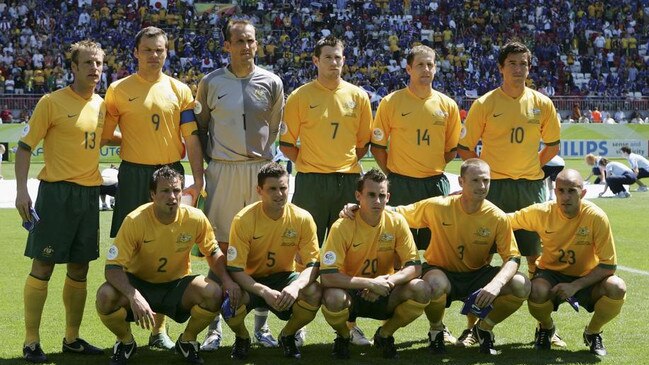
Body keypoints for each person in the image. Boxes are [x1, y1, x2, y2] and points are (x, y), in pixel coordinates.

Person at [341, 159, 530, 355]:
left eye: (486, 181)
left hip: (477, 275)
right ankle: (436, 329)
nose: (482, 186)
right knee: (434, 284)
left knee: (521, 284)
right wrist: (356, 207)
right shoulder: (438, 206)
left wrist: (496, 284)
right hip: (441, 272)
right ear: (461, 181)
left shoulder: (497, 216)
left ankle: (483, 328)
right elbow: (399, 211)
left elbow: (513, 258)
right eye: (475, 180)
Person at [101, 26, 205, 349]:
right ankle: (128, 329)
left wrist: (198, 178)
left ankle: (158, 330)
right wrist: (132, 139)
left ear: (166, 52)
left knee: (170, 247)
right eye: (148, 49)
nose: (154, 55)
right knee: (131, 250)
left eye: (160, 50)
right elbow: (105, 135)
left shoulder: (180, 90)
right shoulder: (118, 90)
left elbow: (191, 137)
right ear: (136, 52)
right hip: (133, 175)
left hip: (171, 173)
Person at [195, 19, 285, 351]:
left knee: (261, 247)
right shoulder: (210, 82)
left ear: (256, 45)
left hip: (260, 168)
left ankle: (261, 326)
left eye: (251, 41)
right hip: (223, 170)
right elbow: (202, 127)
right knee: (218, 244)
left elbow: (273, 127)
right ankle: (214, 326)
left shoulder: (272, 82)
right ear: (226, 46)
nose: (246, 46)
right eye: (239, 41)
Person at [14, 40, 106, 363]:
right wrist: (22, 190)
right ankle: (30, 342)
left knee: (80, 267)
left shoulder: (103, 105)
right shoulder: (51, 102)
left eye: (99, 63)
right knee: (43, 264)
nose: (95, 69)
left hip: (88, 196)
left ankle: (72, 338)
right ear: (74, 67)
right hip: (56, 195)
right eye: (88, 63)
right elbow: (24, 147)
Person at [279, 35, 373, 345]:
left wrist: (340, 166)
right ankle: (301, 317)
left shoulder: (358, 97)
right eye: (328, 57)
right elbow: (287, 143)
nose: (334, 62)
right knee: (304, 251)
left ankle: (349, 323)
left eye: (338, 57)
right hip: (311, 181)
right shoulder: (300, 96)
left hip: (346, 181)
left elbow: (362, 145)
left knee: (348, 252)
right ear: (316, 61)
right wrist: (312, 163)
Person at [95, 166, 239, 365]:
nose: (172, 196)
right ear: (152, 194)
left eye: (177, 190)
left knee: (213, 293)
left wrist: (227, 281)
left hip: (176, 286)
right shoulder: (135, 220)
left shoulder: (195, 217)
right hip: (140, 284)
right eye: (165, 191)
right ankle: (126, 342)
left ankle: (187, 341)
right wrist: (133, 295)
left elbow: (213, 252)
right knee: (105, 296)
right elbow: (112, 268)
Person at [457, 41, 561, 280]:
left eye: (522, 64)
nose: (518, 69)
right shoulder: (485, 103)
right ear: (500, 68)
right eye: (512, 63)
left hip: (529, 186)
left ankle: (539, 309)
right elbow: (464, 147)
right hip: (494, 187)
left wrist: (534, 164)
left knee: (533, 253)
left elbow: (553, 145)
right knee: (483, 249)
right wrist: (483, 172)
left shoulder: (542, 103)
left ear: (529, 68)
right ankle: (477, 309)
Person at [510, 169, 626, 356]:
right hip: (550, 275)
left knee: (617, 287)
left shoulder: (596, 217)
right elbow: (506, 220)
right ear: (554, 192)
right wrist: (475, 211)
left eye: (572, 190)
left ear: (583, 193)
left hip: (587, 278)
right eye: (561, 191)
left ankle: (593, 332)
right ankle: (547, 328)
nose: (565, 197)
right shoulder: (542, 212)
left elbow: (608, 265)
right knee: (536, 290)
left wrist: (575, 285)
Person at [320, 169, 431, 359]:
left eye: (381, 195)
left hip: (385, 291)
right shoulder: (342, 226)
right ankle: (344, 335)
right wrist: (370, 284)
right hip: (351, 293)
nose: (377, 201)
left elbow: (415, 267)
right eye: (371, 195)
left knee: (422, 289)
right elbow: (327, 276)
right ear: (358, 196)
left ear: (388, 197)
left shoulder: (397, 222)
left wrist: (387, 282)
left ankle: (385, 334)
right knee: (332, 298)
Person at [223, 162, 321, 360]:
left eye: (283, 188)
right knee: (229, 301)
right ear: (259, 190)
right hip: (250, 280)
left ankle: (287, 335)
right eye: (272, 189)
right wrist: (264, 291)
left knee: (314, 292)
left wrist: (296, 286)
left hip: (284, 278)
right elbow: (235, 269)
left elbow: (313, 264)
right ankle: (242, 337)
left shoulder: (302, 218)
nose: (279, 194)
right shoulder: (244, 219)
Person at [370, 44, 461, 252]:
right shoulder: (390, 102)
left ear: (436, 69)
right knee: (398, 246)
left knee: (435, 247)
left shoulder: (448, 105)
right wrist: (392, 173)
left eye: (430, 64)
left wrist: (430, 167)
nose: (426, 69)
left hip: (435, 184)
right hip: (401, 183)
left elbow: (451, 150)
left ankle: (433, 284)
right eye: (420, 64)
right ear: (408, 69)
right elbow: (377, 147)